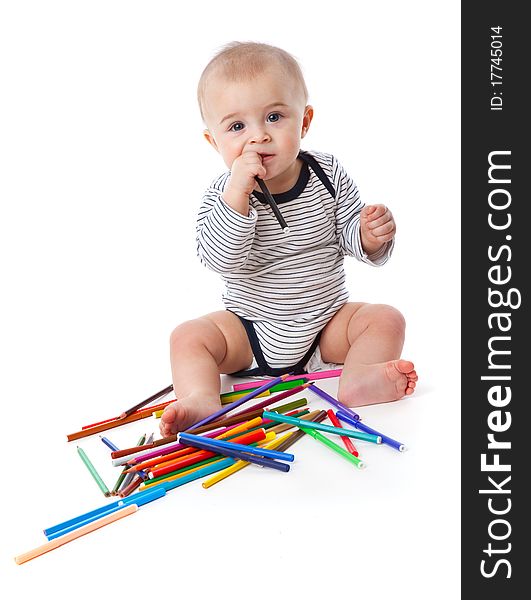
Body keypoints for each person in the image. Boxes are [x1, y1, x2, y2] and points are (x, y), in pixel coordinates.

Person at [160, 42, 417, 436]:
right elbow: (220, 259)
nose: (258, 137)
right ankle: (200, 399)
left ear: (305, 121)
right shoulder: (223, 194)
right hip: (248, 330)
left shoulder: (326, 173)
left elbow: (346, 234)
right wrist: (238, 198)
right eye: (236, 127)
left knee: (386, 318)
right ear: (214, 142)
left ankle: (360, 378)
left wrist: (368, 236)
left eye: (274, 117)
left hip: (325, 324)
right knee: (188, 337)